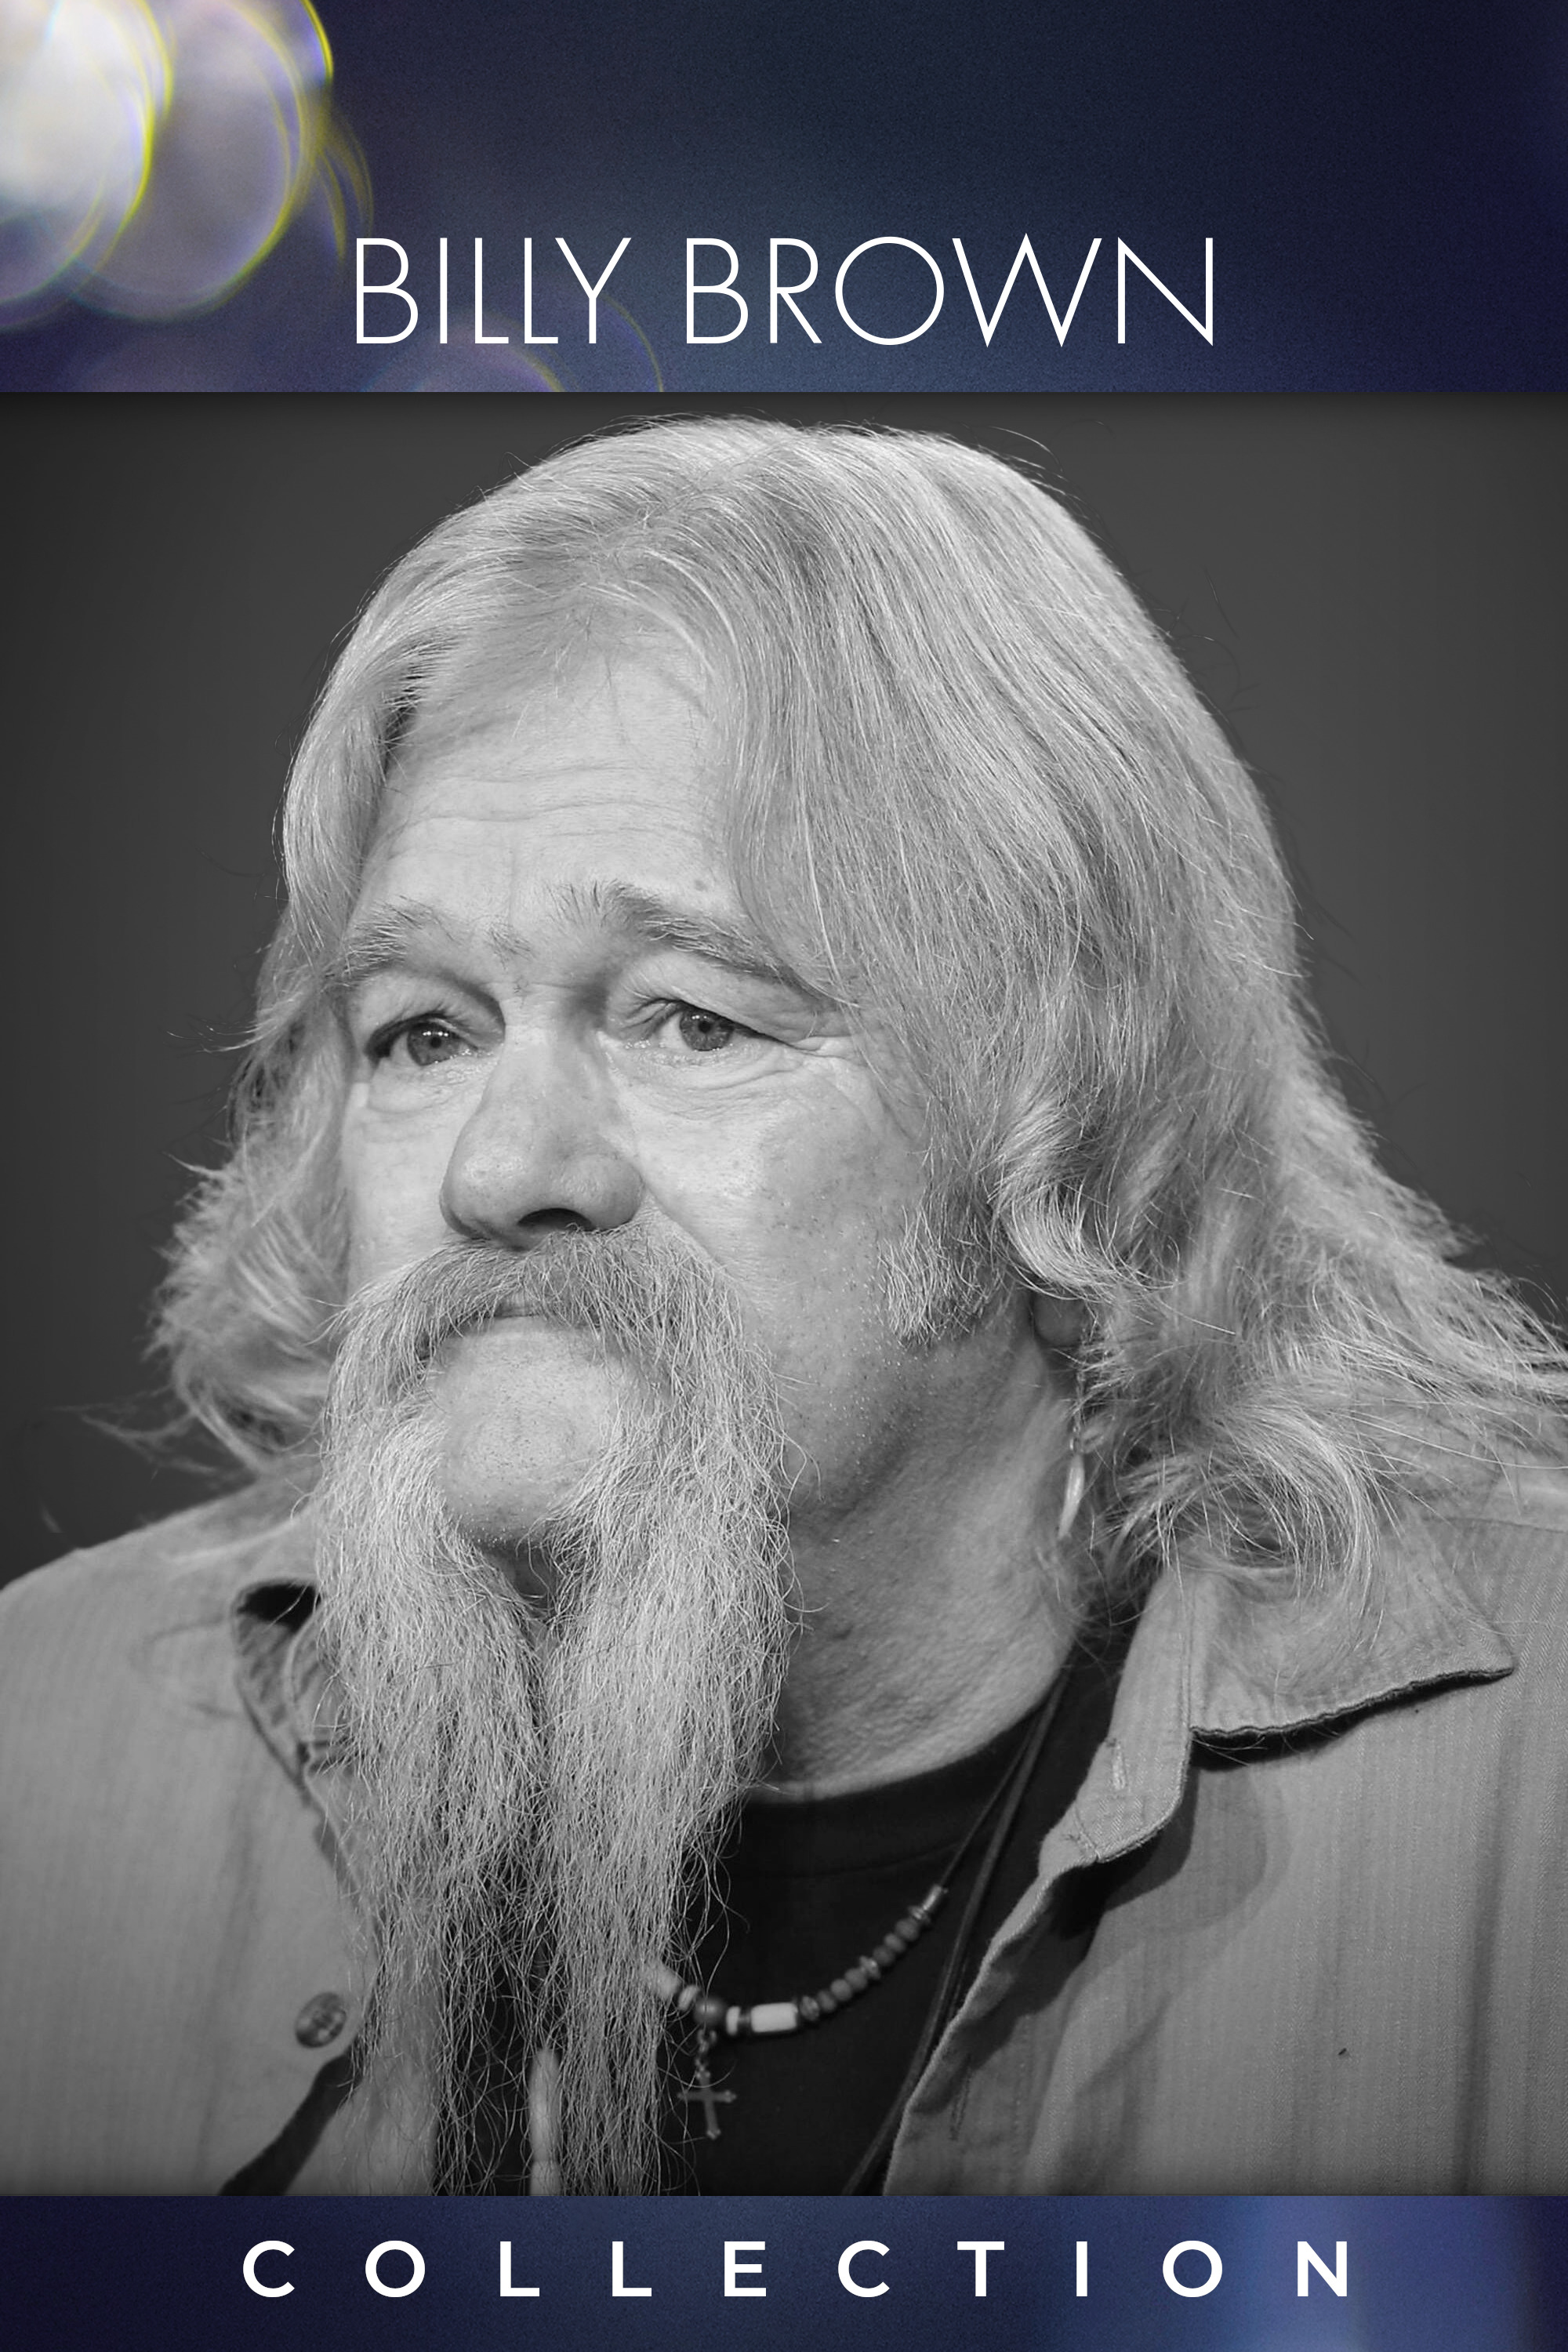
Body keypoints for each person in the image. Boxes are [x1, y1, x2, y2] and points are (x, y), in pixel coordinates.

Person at [2, 416, 1566, 2198]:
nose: (502, 1171)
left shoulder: (1530, 1788)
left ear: (1064, 1105)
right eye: (423, 1031)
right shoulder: (40, 1749)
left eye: (692, 1019)